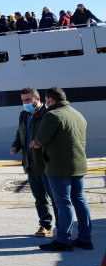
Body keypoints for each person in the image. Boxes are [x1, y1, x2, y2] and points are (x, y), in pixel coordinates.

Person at [31, 87, 92, 251]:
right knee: (80, 200)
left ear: (50, 100)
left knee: (63, 202)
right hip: (78, 165)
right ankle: (86, 239)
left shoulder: (52, 115)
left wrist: (33, 143)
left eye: (46, 100)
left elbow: (39, 141)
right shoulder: (77, 114)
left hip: (58, 167)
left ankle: (63, 240)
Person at [10, 88, 55, 237]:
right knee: (39, 198)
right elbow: (20, 132)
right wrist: (16, 145)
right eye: (23, 100)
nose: (25, 103)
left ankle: (61, 226)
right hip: (31, 163)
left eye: (28, 100)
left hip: (47, 164)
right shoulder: (24, 115)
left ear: (37, 98)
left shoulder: (48, 114)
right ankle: (45, 225)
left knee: (55, 198)